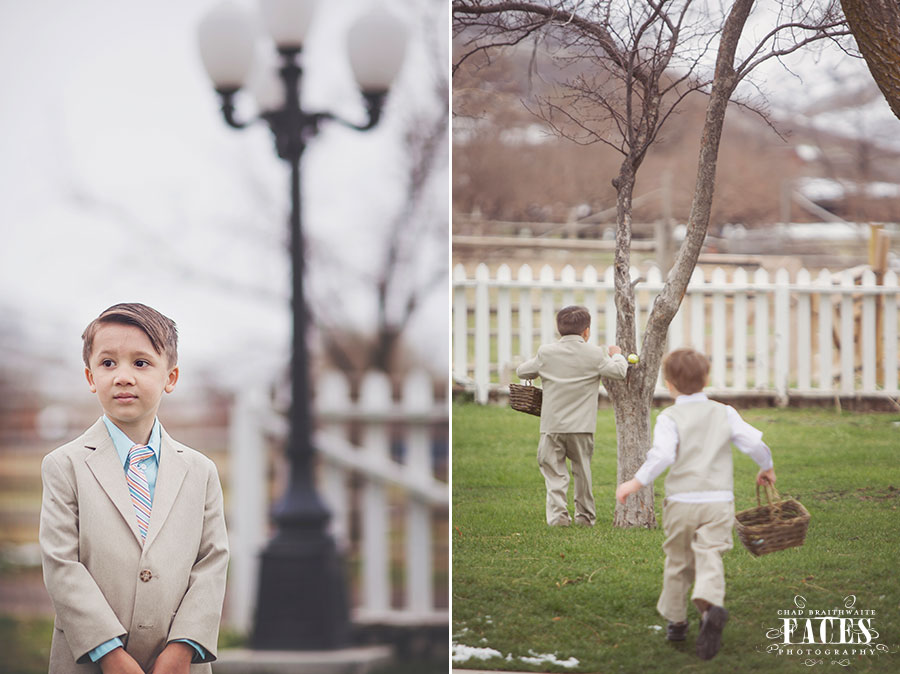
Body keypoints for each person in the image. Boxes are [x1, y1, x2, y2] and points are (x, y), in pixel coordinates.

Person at [39, 303, 229, 673]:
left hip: (179, 664)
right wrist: (109, 654)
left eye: (140, 363)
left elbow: (211, 564)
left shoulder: (200, 471)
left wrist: (183, 649)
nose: (123, 376)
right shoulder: (64, 466)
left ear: (170, 377)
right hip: (90, 661)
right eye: (108, 363)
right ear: (91, 377)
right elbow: (62, 567)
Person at [615, 347, 775, 660]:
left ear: (669, 383)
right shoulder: (723, 412)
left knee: (677, 560)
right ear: (707, 379)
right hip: (717, 501)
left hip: (681, 502)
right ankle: (709, 605)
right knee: (710, 552)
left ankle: (676, 622)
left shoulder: (669, 417)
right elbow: (754, 443)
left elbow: (662, 455)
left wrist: (635, 482)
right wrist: (766, 466)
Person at [516, 305, 628, 527]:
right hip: (582, 426)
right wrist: (618, 355)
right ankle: (585, 517)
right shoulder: (594, 354)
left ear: (559, 330)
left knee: (554, 473)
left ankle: (558, 518)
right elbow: (619, 372)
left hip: (552, 425)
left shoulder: (546, 352)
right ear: (586, 331)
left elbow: (522, 371)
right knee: (583, 473)